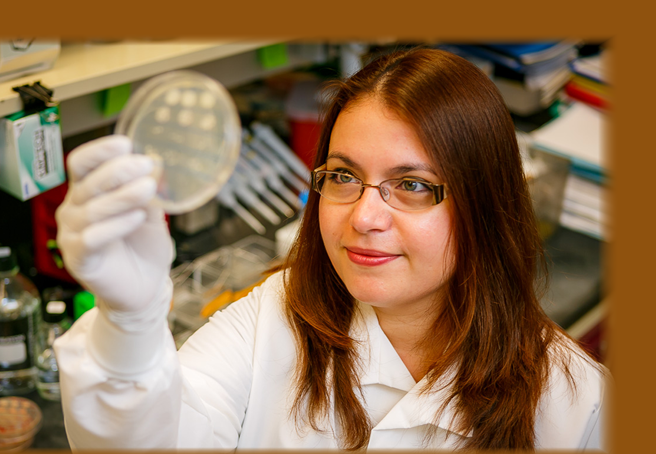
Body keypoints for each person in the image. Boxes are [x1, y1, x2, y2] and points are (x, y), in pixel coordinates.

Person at [51, 48, 607, 451]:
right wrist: (130, 319)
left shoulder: (579, 405)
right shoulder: (273, 316)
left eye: (412, 185)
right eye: (343, 175)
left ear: (485, 204)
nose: (363, 217)